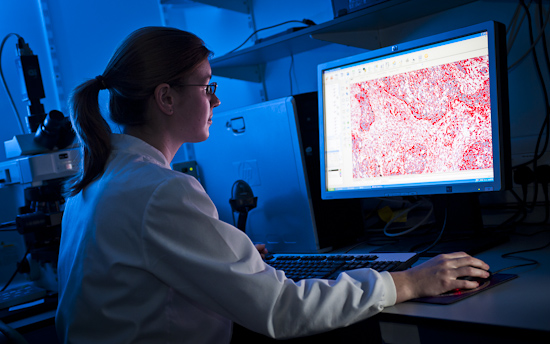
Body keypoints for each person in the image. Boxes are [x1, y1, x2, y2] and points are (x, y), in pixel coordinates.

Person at [55, 26, 491, 344]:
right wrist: (408, 283)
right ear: (166, 98)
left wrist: (220, 253)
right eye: (207, 86)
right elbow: (281, 310)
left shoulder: (98, 180)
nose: (217, 100)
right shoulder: (159, 191)